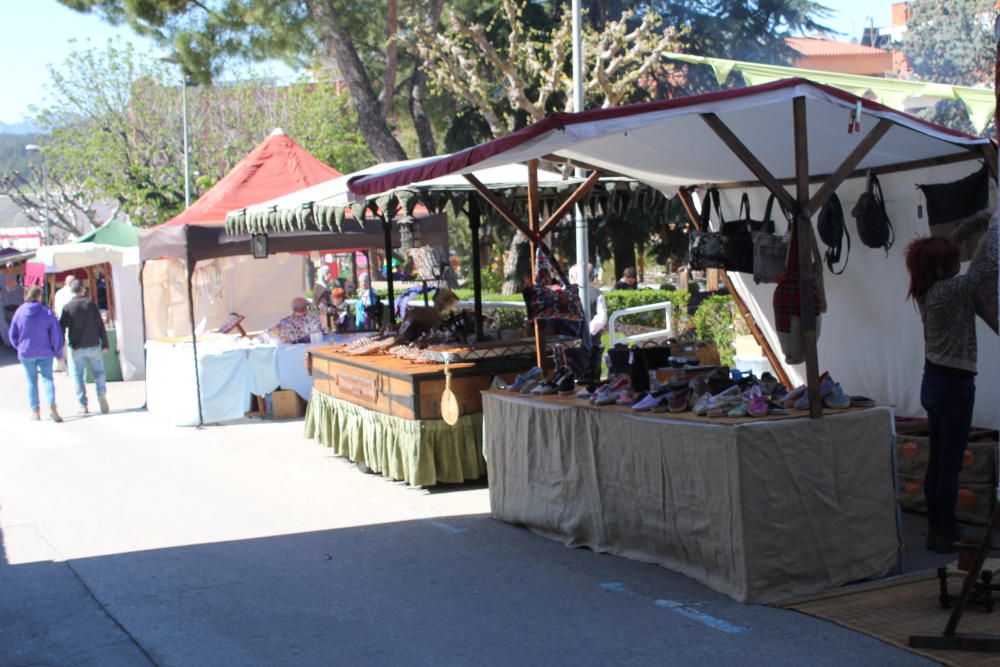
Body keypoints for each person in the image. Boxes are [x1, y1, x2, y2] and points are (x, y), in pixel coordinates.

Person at [906, 213, 997, 553]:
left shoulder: (929, 289)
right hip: (954, 385)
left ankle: (938, 528)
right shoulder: (951, 290)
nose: (959, 262)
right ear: (943, 268)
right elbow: (987, 266)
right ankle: (945, 531)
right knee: (950, 463)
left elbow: (952, 246)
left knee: (939, 460)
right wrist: (996, 227)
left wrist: (980, 220)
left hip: (935, 381)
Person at [8, 285, 64, 421]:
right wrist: (58, 351)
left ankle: (35, 411)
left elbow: (12, 333)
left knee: (31, 381)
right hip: (45, 351)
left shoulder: (19, 312)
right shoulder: (47, 312)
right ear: (39, 296)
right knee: (48, 379)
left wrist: (18, 346)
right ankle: (52, 406)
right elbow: (55, 334)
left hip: (26, 352)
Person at [60, 280, 110, 415]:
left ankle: (83, 405)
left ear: (72, 291)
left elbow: (61, 328)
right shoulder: (91, 305)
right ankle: (101, 394)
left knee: (78, 376)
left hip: (76, 347)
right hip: (93, 344)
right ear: (82, 290)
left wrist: (59, 347)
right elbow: (100, 324)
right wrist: (105, 343)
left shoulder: (67, 307)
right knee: (99, 373)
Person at [569, 263, 608, 337]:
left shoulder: (567, 291)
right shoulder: (597, 293)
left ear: (573, 276)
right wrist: (589, 330)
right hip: (592, 340)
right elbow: (602, 317)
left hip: (567, 337)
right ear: (592, 277)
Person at [52, 275, 76, 372]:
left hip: (60, 321)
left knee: (63, 344)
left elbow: (56, 307)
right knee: (70, 344)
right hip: (72, 322)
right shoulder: (73, 293)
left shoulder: (58, 293)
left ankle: (63, 365)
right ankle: (71, 366)